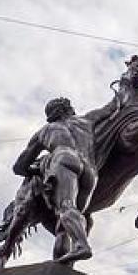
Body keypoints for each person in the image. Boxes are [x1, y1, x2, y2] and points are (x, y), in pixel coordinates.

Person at [12, 97, 115, 264]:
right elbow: (113, 107)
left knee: (66, 207)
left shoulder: (44, 131)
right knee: (67, 222)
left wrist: (38, 170)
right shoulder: (88, 119)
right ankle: (61, 264)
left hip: (64, 159)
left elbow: (19, 167)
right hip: (90, 171)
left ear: (51, 115)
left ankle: (81, 245)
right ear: (68, 109)